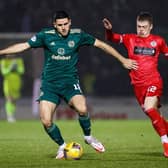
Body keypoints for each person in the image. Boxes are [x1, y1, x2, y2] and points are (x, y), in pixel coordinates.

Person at [0, 10, 137, 159]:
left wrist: (123, 59)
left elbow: (102, 45)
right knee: (46, 121)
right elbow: (23, 46)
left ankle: (89, 137)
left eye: (66, 24)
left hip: (70, 83)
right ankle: (62, 146)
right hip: (50, 84)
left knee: (83, 109)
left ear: (70, 22)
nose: (64, 27)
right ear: (54, 25)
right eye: (60, 25)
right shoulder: (45, 35)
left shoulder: (78, 35)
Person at [103, 11, 168, 158]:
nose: (141, 29)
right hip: (138, 86)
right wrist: (109, 30)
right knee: (156, 116)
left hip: (154, 82)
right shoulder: (129, 38)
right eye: (139, 26)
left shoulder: (158, 41)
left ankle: (166, 143)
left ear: (151, 27)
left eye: (144, 27)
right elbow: (112, 38)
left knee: (149, 108)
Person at [0, 55, 25, 122]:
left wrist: (16, 68)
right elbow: (3, 72)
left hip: (17, 83)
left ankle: (12, 115)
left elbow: (22, 71)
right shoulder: (3, 61)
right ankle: (9, 116)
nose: (10, 55)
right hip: (8, 83)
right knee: (9, 99)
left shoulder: (19, 61)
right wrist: (10, 68)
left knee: (14, 101)